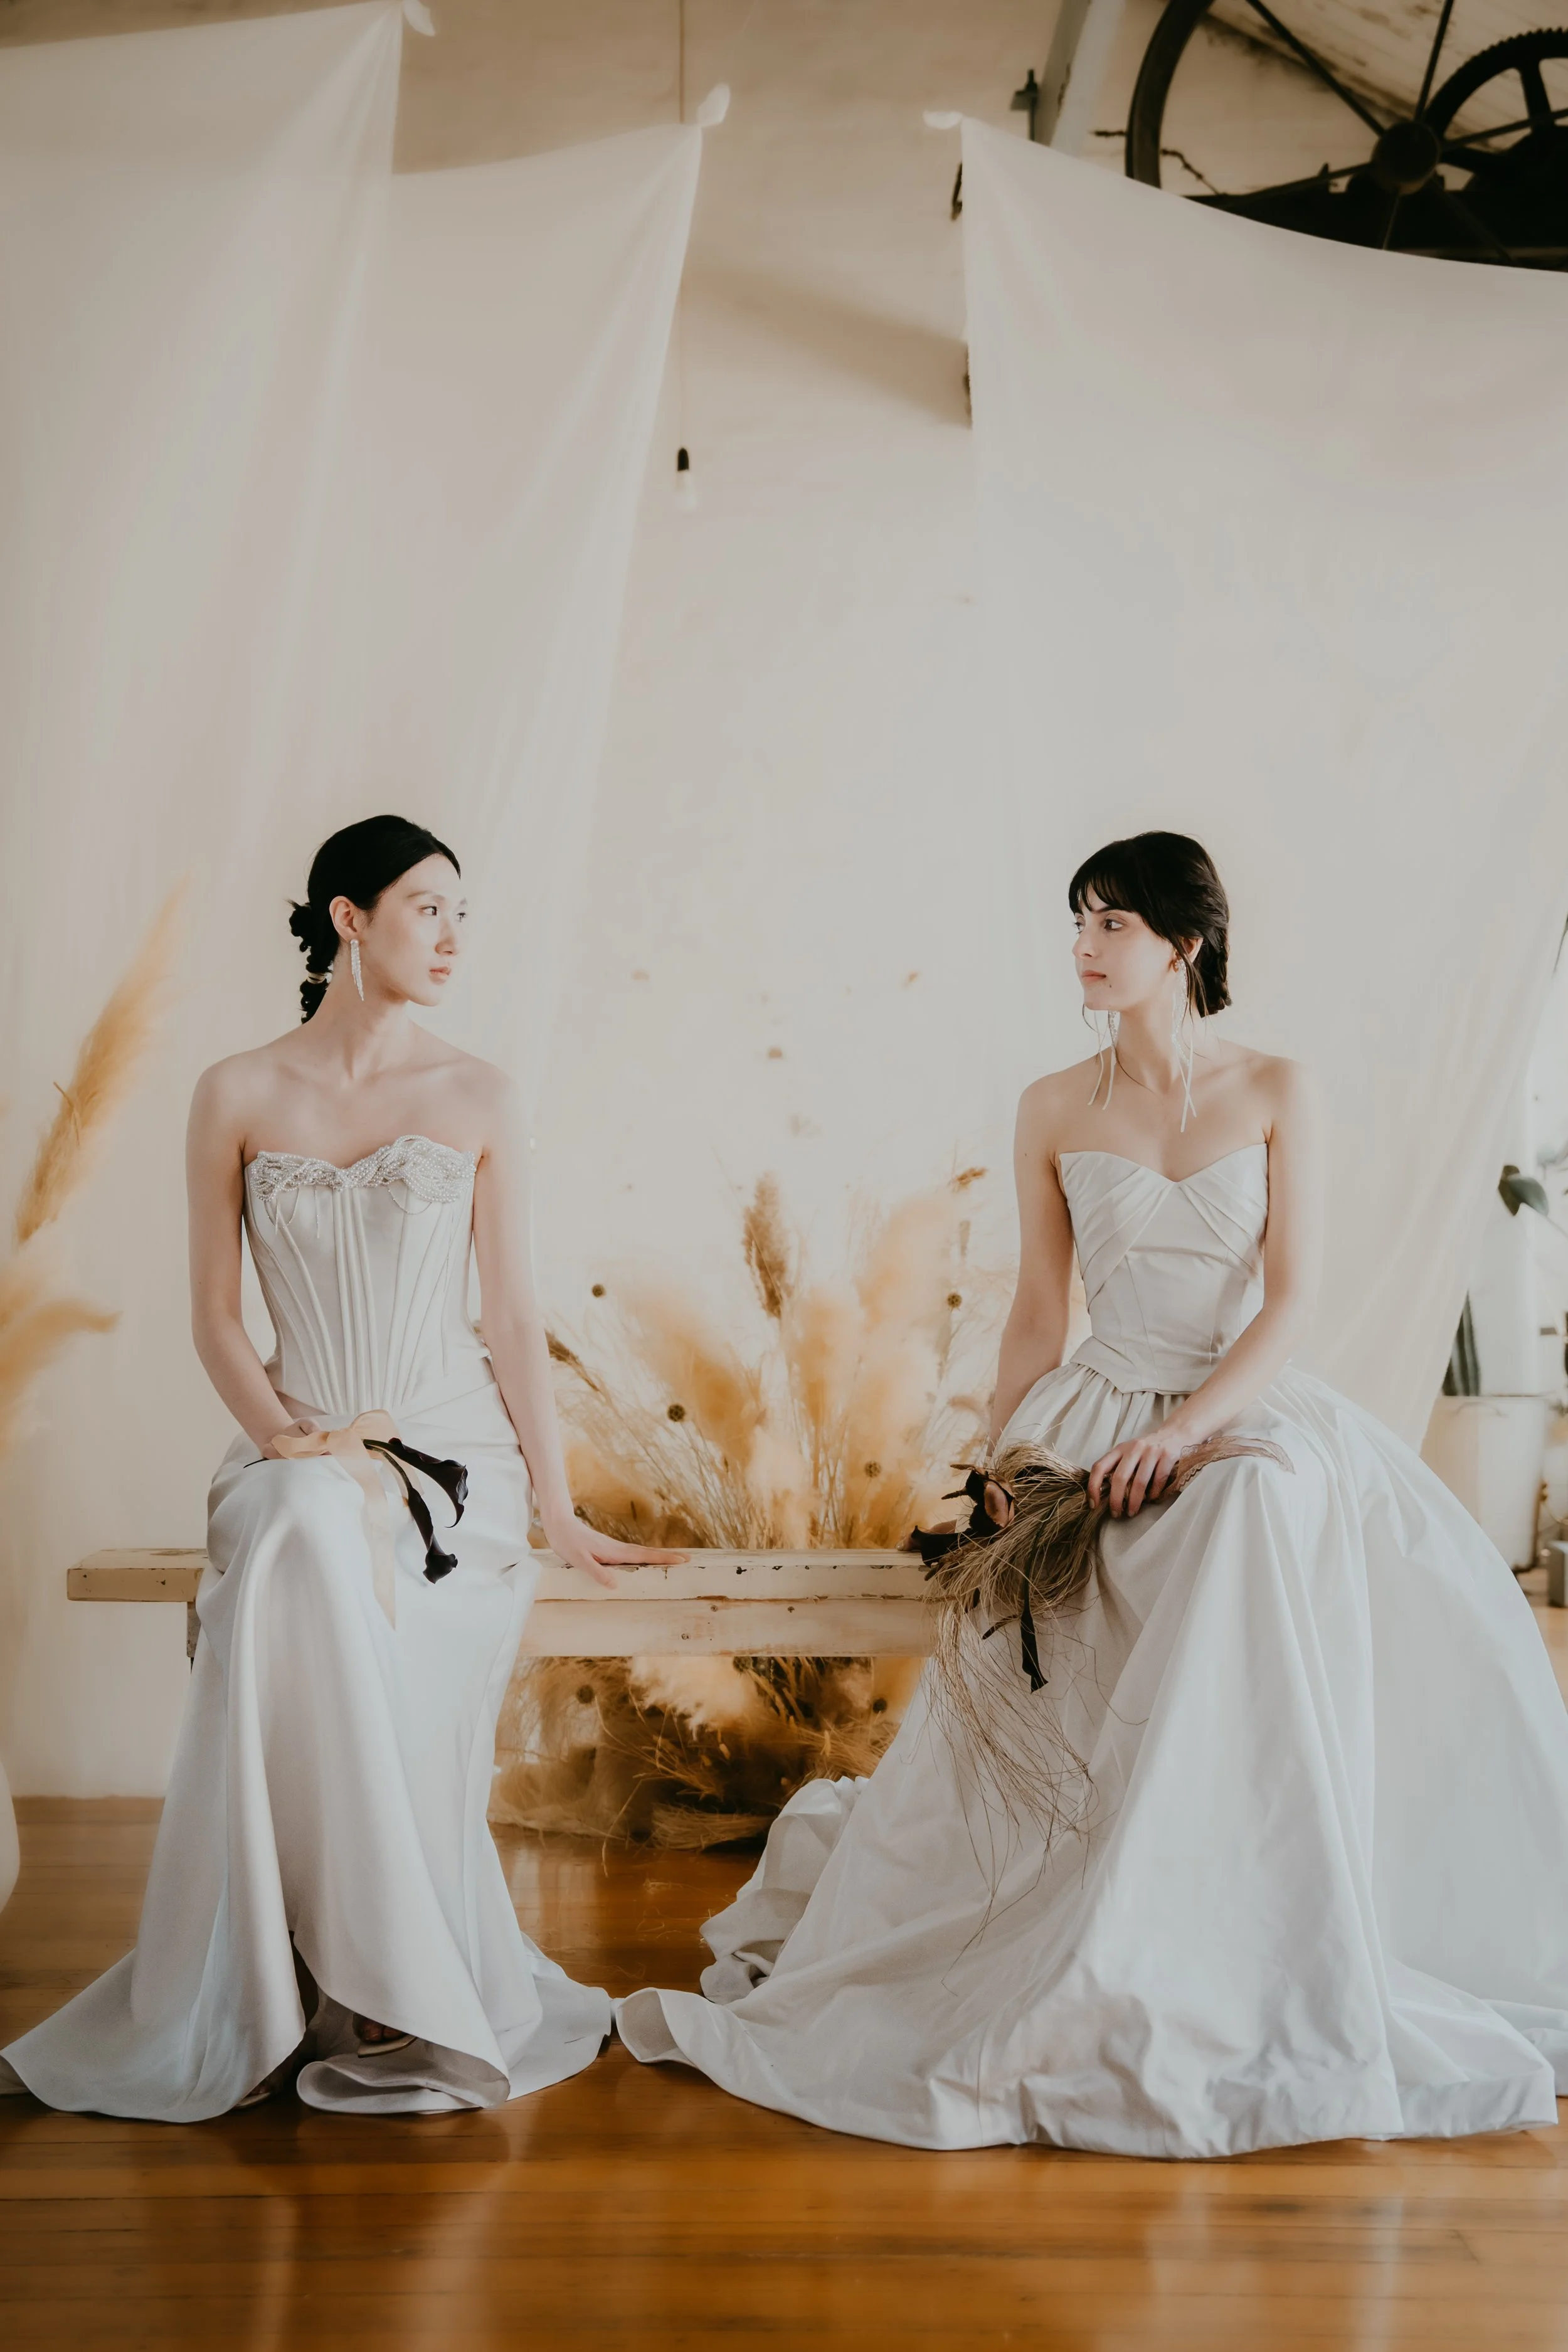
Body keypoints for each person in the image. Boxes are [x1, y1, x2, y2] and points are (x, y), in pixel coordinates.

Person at [617, 830, 1568, 2157]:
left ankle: (1232, 1915)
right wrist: (1009, 1457)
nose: (1083, 944)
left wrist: (1188, 1433)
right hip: (1093, 1404)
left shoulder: (1277, 1087)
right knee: (1102, 1549)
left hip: (1228, 1400)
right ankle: (1063, 1918)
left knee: (1248, 1511)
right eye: (1076, 920)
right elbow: (1035, 1312)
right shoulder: (1052, 1106)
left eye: (1111, 922)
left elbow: (1287, 1301)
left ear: (1182, 943)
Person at [3, 814, 681, 2120]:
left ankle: (381, 1975)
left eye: (460, 912)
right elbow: (214, 1314)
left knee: (317, 1535)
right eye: (426, 907)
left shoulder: (478, 1093)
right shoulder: (236, 1091)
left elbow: (510, 1317)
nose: (452, 936)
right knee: (301, 1521)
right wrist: (283, 1437)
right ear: (346, 919)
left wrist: (558, 1505)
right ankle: (319, 1972)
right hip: (292, 1434)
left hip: (448, 1465)